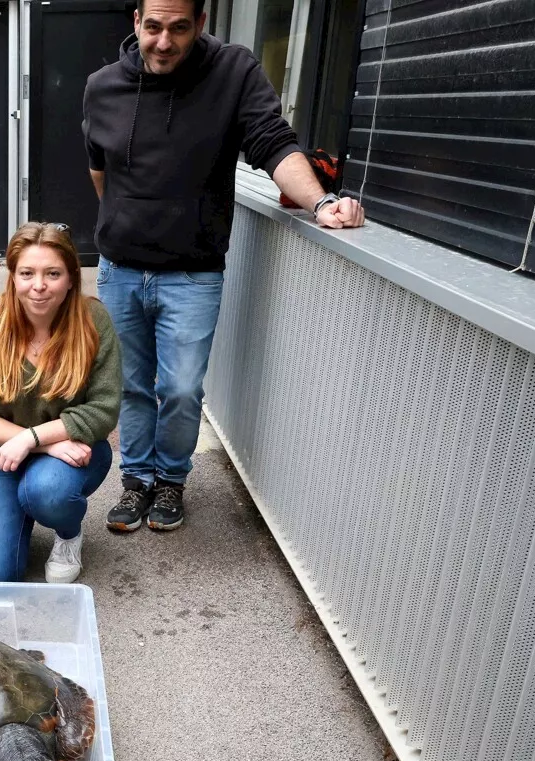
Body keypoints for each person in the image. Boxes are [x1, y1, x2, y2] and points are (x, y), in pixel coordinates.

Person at [82, 0, 366, 534]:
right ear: (136, 23)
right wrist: (120, 221)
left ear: (201, 24)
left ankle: (171, 480)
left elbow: (272, 143)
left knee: (183, 388)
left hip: (192, 274)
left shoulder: (233, 71)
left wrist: (322, 203)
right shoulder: (102, 86)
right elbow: (101, 169)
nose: (164, 41)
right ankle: (136, 480)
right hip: (120, 270)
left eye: (179, 28)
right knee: (132, 386)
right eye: (154, 27)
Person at [0, 223, 122, 583]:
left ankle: (67, 532)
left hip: (76, 450)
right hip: (5, 450)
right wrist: (41, 444)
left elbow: (103, 408)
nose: (39, 285)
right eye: (27, 273)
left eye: (52, 273)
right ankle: (12, 508)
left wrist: (30, 440)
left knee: (47, 491)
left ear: (70, 278)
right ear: (12, 276)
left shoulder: (94, 322)